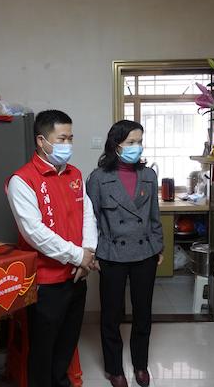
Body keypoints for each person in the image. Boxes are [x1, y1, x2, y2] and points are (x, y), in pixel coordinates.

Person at [6, 109, 98, 387]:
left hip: (77, 276)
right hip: (45, 283)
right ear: (41, 141)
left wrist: (88, 252)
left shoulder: (75, 173)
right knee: (42, 350)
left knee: (67, 345)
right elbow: (34, 232)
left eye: (71, 138)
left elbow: (87, 215)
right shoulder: (22, 180)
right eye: (62, 138)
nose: (68, 144)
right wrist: (78, 255)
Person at [86, 120, 163, 387]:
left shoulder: (149, 176)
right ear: (116, 144)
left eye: (139, 141)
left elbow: (154, 216)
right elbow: (91, 219)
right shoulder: (98, 178)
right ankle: (114, 368)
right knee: (111, 315)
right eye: (131, 142)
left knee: (143, 313)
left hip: (145, 252)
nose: (136, 147)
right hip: (111, 254)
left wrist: (158, 246)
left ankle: (141, 365)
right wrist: (93, 253)